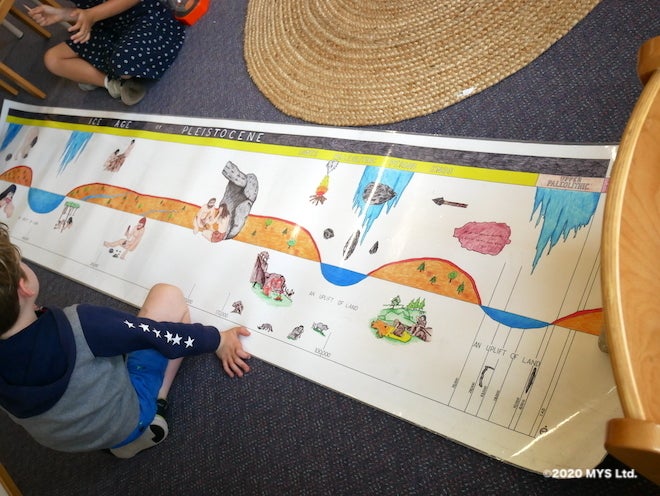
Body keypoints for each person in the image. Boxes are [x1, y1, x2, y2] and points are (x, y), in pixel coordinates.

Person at [0, 222, 251, 458]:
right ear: (24, 286)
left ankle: (120, 439)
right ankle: (152, 414)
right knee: (167, 295)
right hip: (126, 420)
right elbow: (162, 337)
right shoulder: (82, 324)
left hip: (75, 438)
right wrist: (218, 339)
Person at [26, 0, 186, 105]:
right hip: (105, 25)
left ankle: (101, 72)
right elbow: (87, 8)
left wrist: (91, 15)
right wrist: (62, 14)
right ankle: (112, 83)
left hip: (141, 15)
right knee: (53, 59)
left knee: (124, 64)